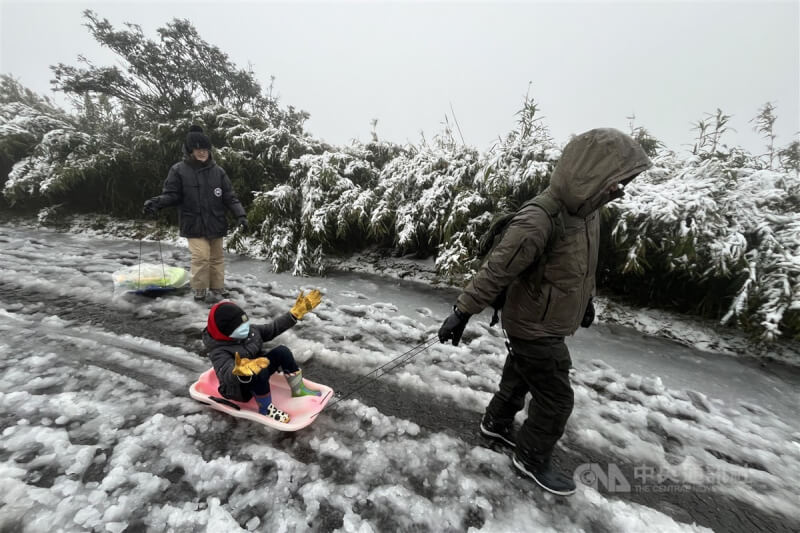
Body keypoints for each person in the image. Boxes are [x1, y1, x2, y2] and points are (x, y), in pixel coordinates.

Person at [438, 128, 652, 496]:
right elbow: (497, 270)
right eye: (616, 183)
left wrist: (586, 301)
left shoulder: (587, 213)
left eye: (623, 183)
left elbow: (583, 266)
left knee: (521, 374)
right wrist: (462, 311)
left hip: (545, 320)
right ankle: (531, 458)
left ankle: (496, 424)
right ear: (591, 177)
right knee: (556, 398)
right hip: (532, 325)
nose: (620, 190)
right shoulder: (539, 219)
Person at [143, 125, 247, 302]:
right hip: (193, 223)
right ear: (190, 150)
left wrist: (241, 215)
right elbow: (172, 195)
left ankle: (217, 287)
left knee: (216, 258)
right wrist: (156, 203)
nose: (202, 152)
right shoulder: (178, 170)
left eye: (205, 149)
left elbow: (230, 197)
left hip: (216, 222)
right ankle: (199, 289)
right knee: (201, 257)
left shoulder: (218, 172)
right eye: (198, 149)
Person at [203, 290, 324, 423]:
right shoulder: (218, 350)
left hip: (258, 371)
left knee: (282, 351)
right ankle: (266, 409)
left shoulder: (250, 331)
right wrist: (239, 371)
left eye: (245, 322)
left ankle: (298, 389)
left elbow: (273, 328)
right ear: (225, 332)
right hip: (239, 389)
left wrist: (294, 314)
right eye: (239, 326)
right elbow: (225, 372)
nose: (245, 327)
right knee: (258, 370)